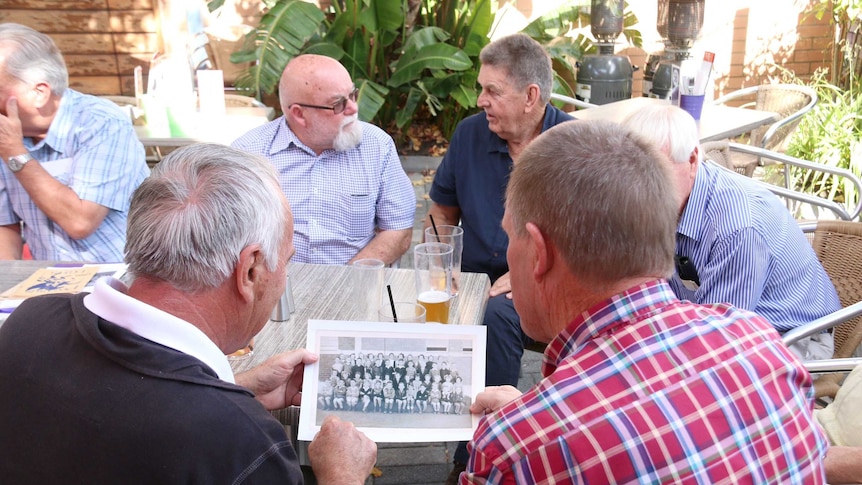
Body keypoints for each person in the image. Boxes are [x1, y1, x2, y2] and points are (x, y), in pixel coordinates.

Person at [459, 119, 829, 483]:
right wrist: (542, 417)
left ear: (539, 254)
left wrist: (533, 428)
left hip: (812, 338)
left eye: (510, 237)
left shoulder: (509, 453)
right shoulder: (763, 345)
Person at [0, 143, 376, 484]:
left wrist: (233, 391)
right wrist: (342, 475)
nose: (284, 278)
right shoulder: (241, 445)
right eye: (287, 263)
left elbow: (119, 406)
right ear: (249, 271)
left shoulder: (28, 322)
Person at [424, 33, 574, 480]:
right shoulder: (470, 134)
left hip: (548, 276)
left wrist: (522, 270)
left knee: (497, 317)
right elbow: (441, 210)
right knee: (418, 302)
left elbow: (587, 236)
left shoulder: (573, 142)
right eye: (480, 88)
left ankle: (478, 450)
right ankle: (406, 422)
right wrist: (440, 263)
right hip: (471, 275)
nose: (480, 99)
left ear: (531, 97)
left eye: (492, 90)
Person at [621, 104, 840, 360]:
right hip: (713, 324)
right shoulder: (668, 198)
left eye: (656, 175)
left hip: (791, 339)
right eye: (631, 176)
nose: (640, 190)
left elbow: (717, 343)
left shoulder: (737, 228)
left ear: (692, 160)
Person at [231, 54, 415, 266]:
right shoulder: (249, 155)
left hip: (356, 284)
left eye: (353, 95)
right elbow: (231, 240)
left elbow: (398, 229)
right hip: (279, 291)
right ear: (299, 114)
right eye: (338, 104)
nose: (354, 109)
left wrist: (346, 281)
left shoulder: (376, 146)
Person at [0, 23, 149, 262]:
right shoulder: (7, 136)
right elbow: (5, 225)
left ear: (39, 92)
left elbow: (80, 221)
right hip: (50, 284)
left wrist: (14, 153)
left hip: (121, 279)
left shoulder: (100, 123)